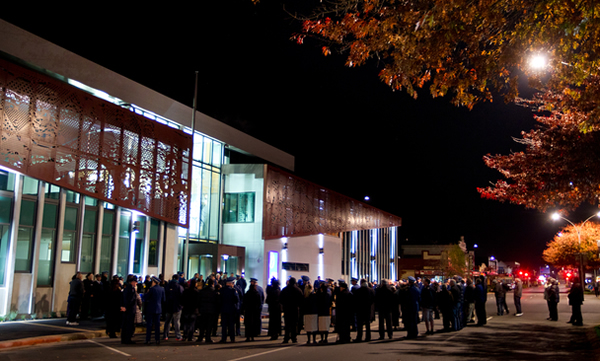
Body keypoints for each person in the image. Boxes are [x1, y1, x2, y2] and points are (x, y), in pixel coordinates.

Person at [279, 276, 303, 343]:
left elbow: (280, 299)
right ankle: (294, 338)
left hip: (287, 309)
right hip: (295, 309)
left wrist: (284, 305)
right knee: (294, 324)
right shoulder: (298, 290)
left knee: (287, 324)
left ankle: (286, 338)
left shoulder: (285, 290)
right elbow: (301, 300)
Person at [144, 276, 166, 345]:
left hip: (151, 308)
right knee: (157, 325)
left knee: (149, 325)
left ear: (154, 282)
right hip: (158, 308)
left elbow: (146, 298)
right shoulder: (162, 289)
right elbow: (164, 299)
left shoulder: (151, 289)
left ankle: (148, 339)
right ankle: (157, 339)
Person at [219, 277, 240, 343]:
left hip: (224, 310)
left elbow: (219, 300)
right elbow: (237, 300)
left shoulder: (222, 290)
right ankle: (232, 338)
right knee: (231, 325)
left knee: (224, 325)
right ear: (231, 283)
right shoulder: (233, 291)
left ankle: (223, 338)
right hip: (231, 310)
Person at [164, 274, 184, 341]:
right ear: (178, 279)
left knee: (167, 321)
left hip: (169, 305)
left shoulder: (167, 286)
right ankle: (178, 335)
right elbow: (182, 296)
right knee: (177, 321)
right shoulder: (179, 287)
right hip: (177, 306)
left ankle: (165, 335)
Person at [197, 278, 218, 343]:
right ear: (213, 284)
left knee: (202, 324)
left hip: (203, 309)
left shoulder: (202, 291)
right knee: (209, 325)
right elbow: (217, 302)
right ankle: (208, 337)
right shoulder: (214, 292)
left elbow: (199, 300)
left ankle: (200, 337)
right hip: (211, 310)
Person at [121, 275, 139, 344]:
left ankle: (124, 339)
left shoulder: (126, 288)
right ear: (132, 282)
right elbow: (131, 300)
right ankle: (127, 339)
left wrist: (122, 306)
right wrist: (126, 307)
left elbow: (123, 298)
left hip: (126, 309)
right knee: (129, 325)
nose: (136, 283)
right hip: (130, 310)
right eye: (135, 282)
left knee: (125, 325)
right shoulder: (132, 289)